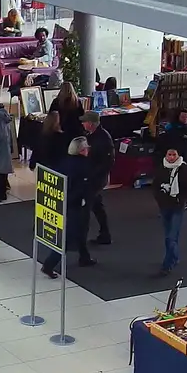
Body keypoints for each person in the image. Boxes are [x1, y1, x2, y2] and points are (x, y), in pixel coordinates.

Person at [40, 137, 95, 277]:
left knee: (81, 231)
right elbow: (82, 187)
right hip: (75, 205)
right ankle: (49, 264)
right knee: (69, 235)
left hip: (61, 202)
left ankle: (84, 257)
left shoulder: (64, 161)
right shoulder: (83, 165)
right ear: (82, 150)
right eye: (86, 148)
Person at [153, 142, 187, 276]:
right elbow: (155, 186)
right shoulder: (162, 167)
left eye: (174, 155)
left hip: (177, 206)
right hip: (164, 206)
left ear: (178, 155)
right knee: (169, 236)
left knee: (171, 237)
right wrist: (160, 198)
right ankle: (175, 257)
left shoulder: (184, 169)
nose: (171, 157)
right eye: (169, 155)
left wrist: (181, 198)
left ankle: (167, 264)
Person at [78, 111, 114, 245]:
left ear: (91, 124)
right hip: (92, 177)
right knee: (97, 206)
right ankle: (105, 234)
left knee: (87, 207)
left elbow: (107, 162)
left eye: (84, 121)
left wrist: (91, 175)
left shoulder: (103, 139)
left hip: (95, 179)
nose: (82, 123)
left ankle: (82, 239)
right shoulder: (93, 136)